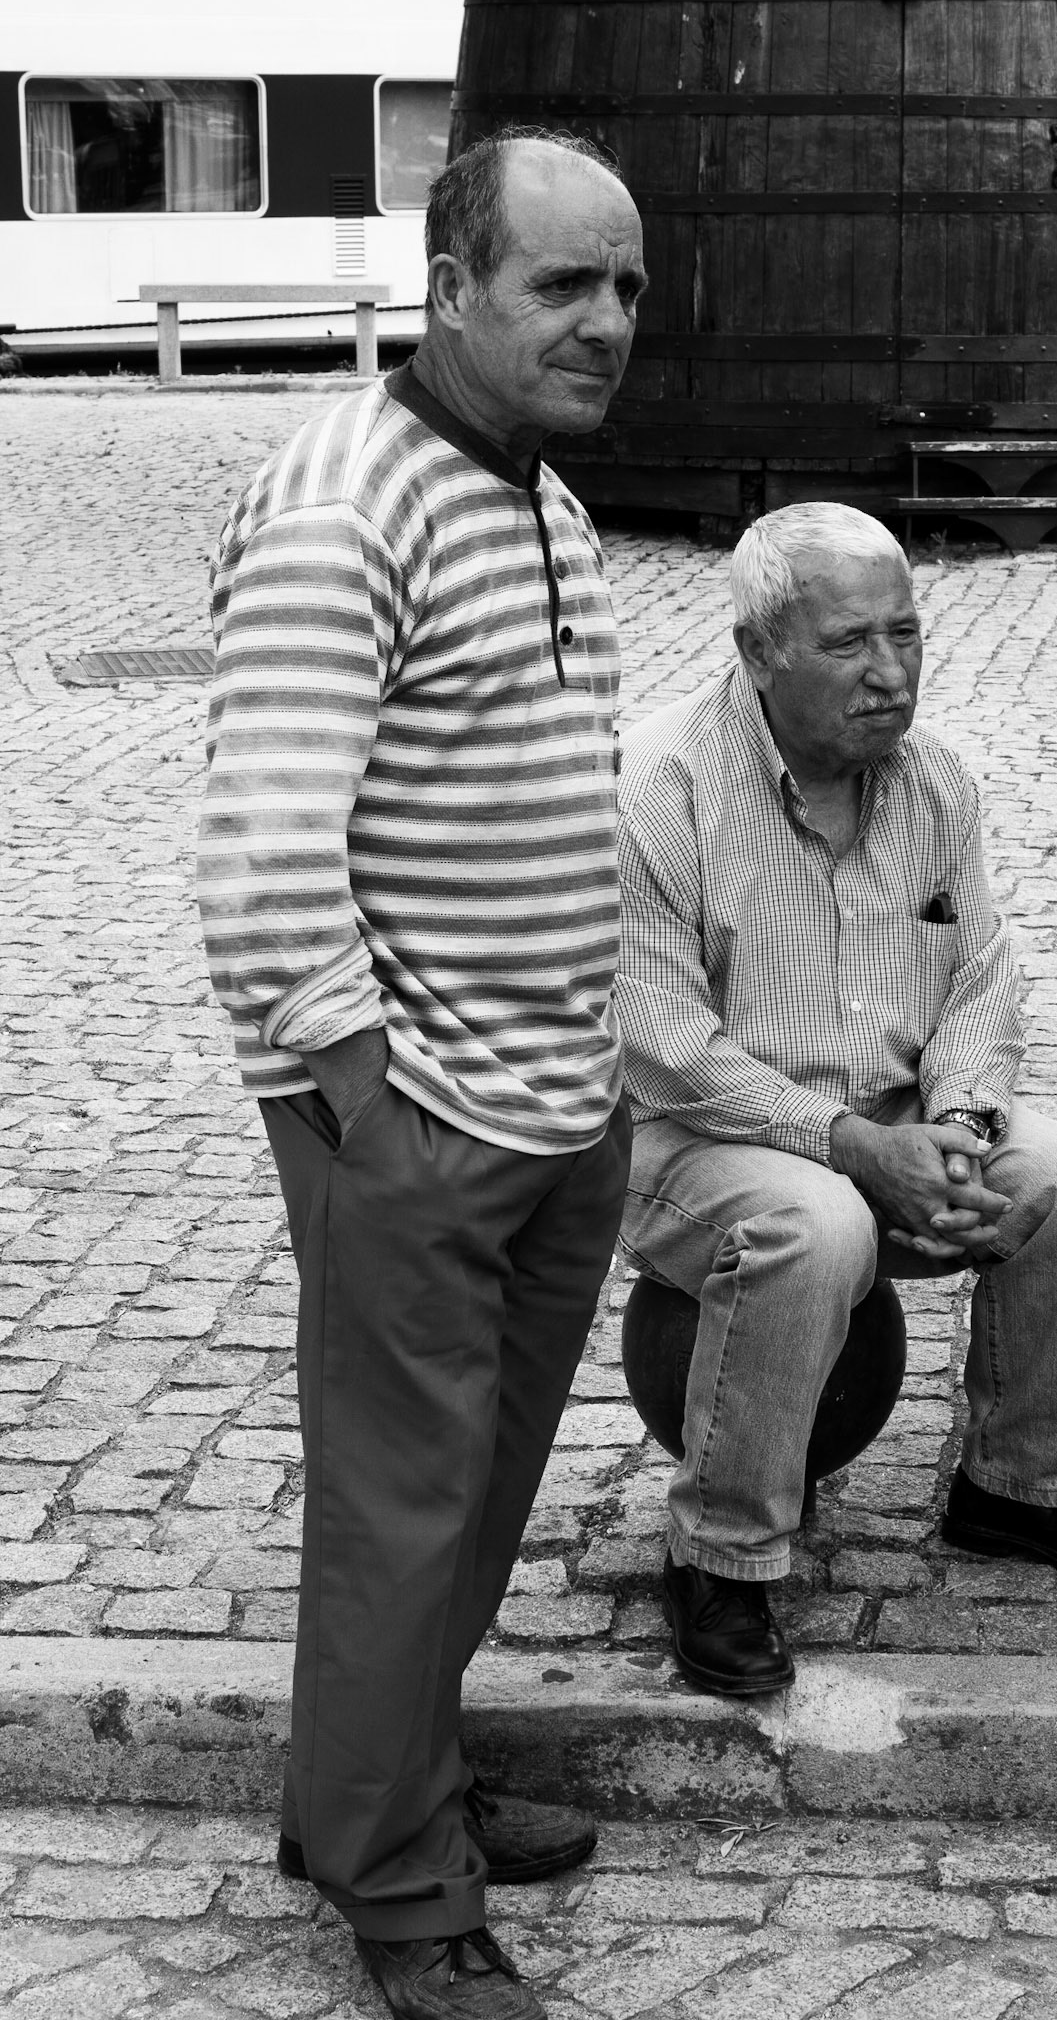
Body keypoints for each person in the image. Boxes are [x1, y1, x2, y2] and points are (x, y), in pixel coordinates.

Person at [197, 127, 646, 2020]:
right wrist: (366, 1105)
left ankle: (383, 1785)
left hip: (554, 1099)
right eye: (562, 283)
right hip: (416, 1113)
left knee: (472, 1490)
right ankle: (399, 1895)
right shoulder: (343, 501)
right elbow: (261, 852)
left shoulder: (542, 501)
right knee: (399, 1504)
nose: (606, 320)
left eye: (626, 284)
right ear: (449, 288)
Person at [614, 502, 1057, 1697]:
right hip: (695, 1137)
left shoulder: (937, 781)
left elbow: (982, 980)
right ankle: (718, 1552)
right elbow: (666, 1044)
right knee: (814, 1222)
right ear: (759, 649)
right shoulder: (660, 785)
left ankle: (1020, 1485)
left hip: (896, 1116)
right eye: (848, 642)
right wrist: (854, 1148)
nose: (889, 672)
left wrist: (962, 1130)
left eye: (906, 633)